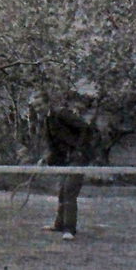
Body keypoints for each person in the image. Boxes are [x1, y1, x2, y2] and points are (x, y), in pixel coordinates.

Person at [31, 91, 96, 241]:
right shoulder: (46, 122)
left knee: (69, 191)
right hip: (67, 161)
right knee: (62, 191)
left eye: (40, 104)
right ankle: (59, 225)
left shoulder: (62, 114)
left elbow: (85, 128)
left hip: (79, 158)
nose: (38, 108)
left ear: (48, 103)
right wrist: (45, 159)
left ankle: (69, 229)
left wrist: (79, 151)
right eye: (35, 106)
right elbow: (53, 147)